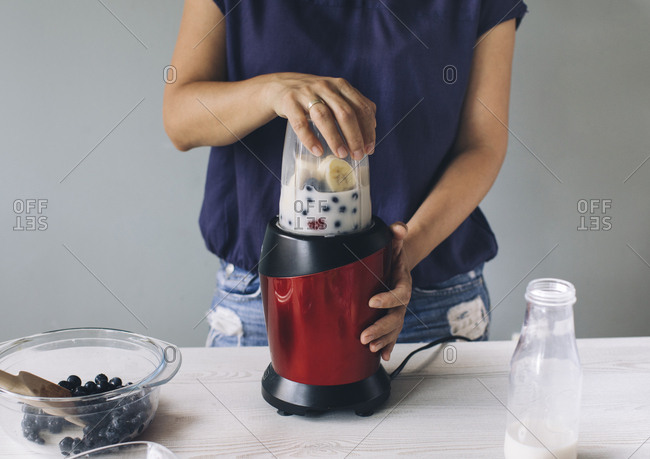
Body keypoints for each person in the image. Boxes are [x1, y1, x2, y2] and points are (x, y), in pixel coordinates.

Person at [163, 0, 527, 361]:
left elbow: (481, 145)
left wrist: (402, 256)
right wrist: (270, 91)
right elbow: (179, 119)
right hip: (264, 298)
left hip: (423, 299)